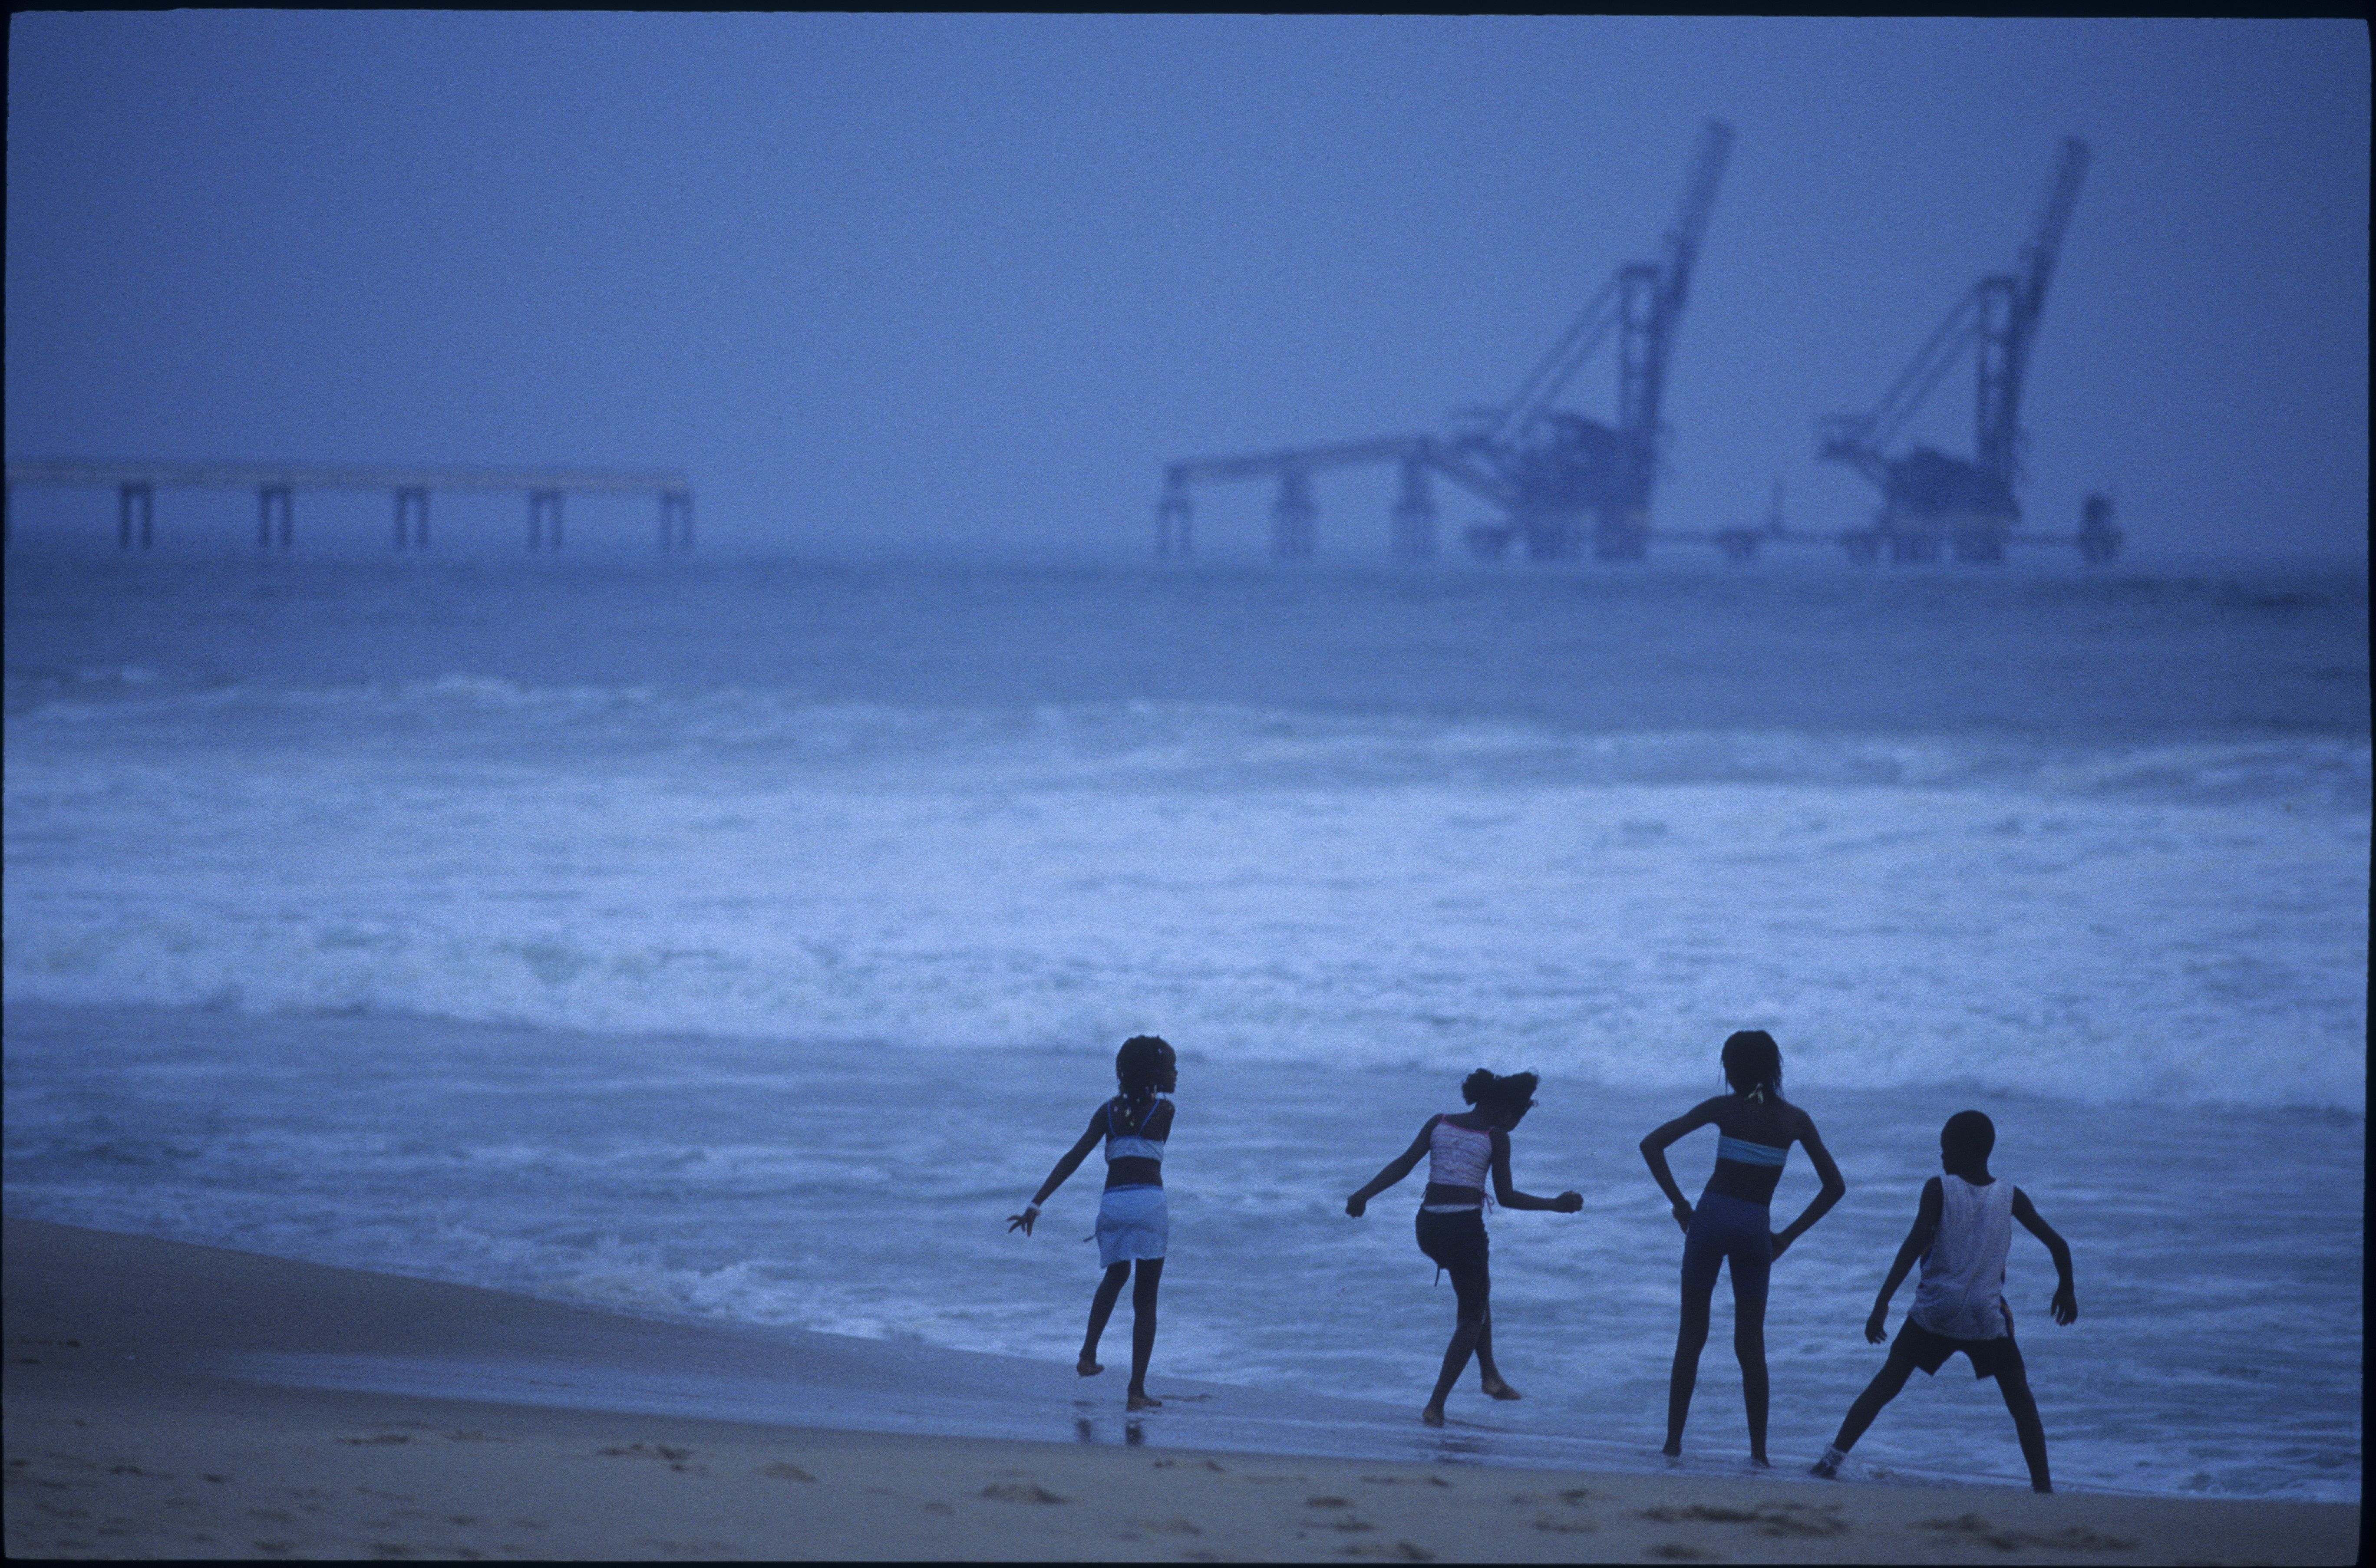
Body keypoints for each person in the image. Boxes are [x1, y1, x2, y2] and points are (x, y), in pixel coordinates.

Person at [1809, 1109, 2076, 1492]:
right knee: (2022, 1405)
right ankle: (2043, 1487)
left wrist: (1882, 1302)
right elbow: (2059, 1244)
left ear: (1965, 1150)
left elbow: (1914, 1243)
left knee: (1885, 1386)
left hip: (1935, 1311)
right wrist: (2066, 1288)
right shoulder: (2011, 1196)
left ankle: (1830, 1462)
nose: (1942, 1158)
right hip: (1986, 1316)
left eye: (1946, 1150)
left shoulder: (1938, 1188)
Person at [1640, 1029, 1845, 1466]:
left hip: (1710, 1221)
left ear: (1731, 1071)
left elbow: (1651, 1144)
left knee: (1691, 1337)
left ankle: (1673, 1444)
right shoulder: (1795, 1120)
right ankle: (1759, 1455)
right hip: (1756, 1227)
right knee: (1751, 1346)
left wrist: (1681, 1205)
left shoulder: (1723, 1109)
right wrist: (1788, 1235)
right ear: (1774, 1069)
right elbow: (1835, 1187)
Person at [1346, 1069, 1583, 1427]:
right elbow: (1506, 1197)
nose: (1516, 1125)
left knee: (1477, 1292)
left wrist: (1363, 1194)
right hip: (1462, 1230)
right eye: (1518, 1117)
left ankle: (1490, 1376)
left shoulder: (1439, 1123)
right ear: (1503, 1111)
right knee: (1471, 1317)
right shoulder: (1496, 1137)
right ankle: (1436, 1405)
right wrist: (1554, 1204)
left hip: (1427, 1227)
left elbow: (1404, 1164)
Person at [1008, 1035, 1178, 1412]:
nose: (1176, 1074)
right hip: (1149, 1204)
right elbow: (1156, 1140)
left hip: (1114, 1205)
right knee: (1146, 1299)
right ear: (1153, 1073)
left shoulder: (1108, 1113)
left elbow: (1073, 1158)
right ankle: (1136, 1390)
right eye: (1170, 1067)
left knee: (1115, 1277)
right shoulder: (1165, 1113)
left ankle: (1088, 1354)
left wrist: (1037, 1203)